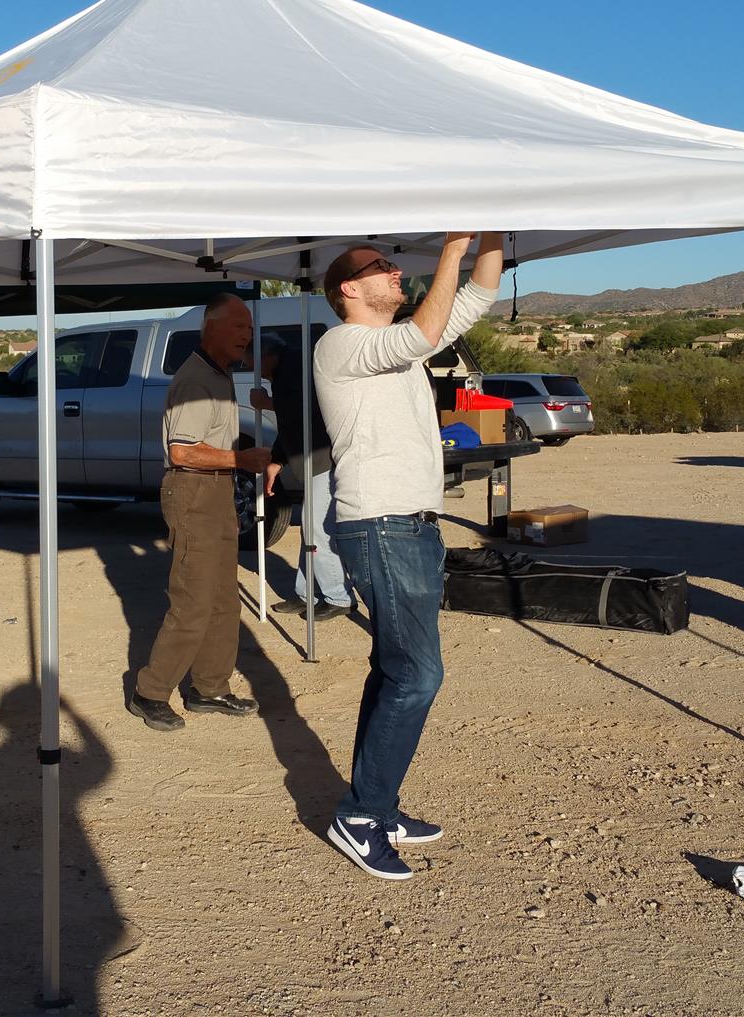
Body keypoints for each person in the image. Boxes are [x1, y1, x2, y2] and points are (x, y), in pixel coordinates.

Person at [314, 231, 504, 879]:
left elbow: (479, 295)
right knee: (418, 675)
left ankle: (379, 803)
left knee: (394, 669)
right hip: (381, 525)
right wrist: (451, 246)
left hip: (410, 527)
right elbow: (424, 332)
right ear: (349, 287)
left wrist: (491, 231)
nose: (396, 271)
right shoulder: (342, 344)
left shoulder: (393, 348)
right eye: (381, 266)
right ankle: (361, 815)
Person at [126, 294, 272, 731]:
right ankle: (150, 692)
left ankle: (210, 688)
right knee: (193, 600)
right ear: (211, 328)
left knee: (224, 599)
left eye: (249, 328)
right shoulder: (194, 379)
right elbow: (183, 451)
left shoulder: (219, 373)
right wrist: (241, 460)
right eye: (239, 326)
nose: (247, 335)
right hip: (193, 491)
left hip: (217, 491)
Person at [263, 334, 353, 621]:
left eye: (252, 361)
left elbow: (302, 411)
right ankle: (307, 593)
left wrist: (267, 403)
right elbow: (291, 425)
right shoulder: (287, 369)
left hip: (322, 460)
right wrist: (277, 460)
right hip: (313, 461)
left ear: (267, 355)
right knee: (310, 528)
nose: (252, 368)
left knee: (317, 529)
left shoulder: (295, 369)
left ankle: (339, 596)